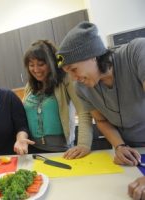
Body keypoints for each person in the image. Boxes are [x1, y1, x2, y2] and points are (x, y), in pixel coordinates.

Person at [57, 21, 145, 167]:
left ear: (92, 55)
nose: (73, 78)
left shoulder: (136, 53)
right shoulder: (81, 88)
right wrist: (120, 146)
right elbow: (102, 121)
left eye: (73, 69)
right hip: (131, 150)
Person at [22, 40, 93, 159]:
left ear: (51, 63)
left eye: (40, 64)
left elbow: (84, 111)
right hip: (33, 150)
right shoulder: (30, 85)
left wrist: (83, 144)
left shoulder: (66, 80)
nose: (36, 69)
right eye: (31, 65)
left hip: (61, 150)